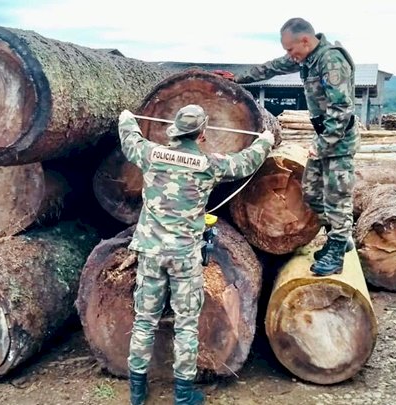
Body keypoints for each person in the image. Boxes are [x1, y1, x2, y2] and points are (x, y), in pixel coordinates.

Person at [117, 105, 274, 405]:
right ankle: (183, 394)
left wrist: (126, 117)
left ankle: (137, 391)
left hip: (150, 253)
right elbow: (246, 162)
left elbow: (129, 139)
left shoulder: (151, 154)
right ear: (202, 134)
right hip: (185, 257)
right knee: (186, 324)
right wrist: (265, 140)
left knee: (145, 320)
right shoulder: (208, 164)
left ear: (176, 131)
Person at [215, 17, 358, 276]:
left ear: (305, 40)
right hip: (325, 135)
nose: (289, 55)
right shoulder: (306, 57)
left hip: (339, 139)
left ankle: (336, 252)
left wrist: (325, 142)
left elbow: (342, 108)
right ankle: (340, 236)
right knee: (312, 192)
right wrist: (237, 78)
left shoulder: (331, 60)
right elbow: (271, 68)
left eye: (291, 49)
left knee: (337, 195)